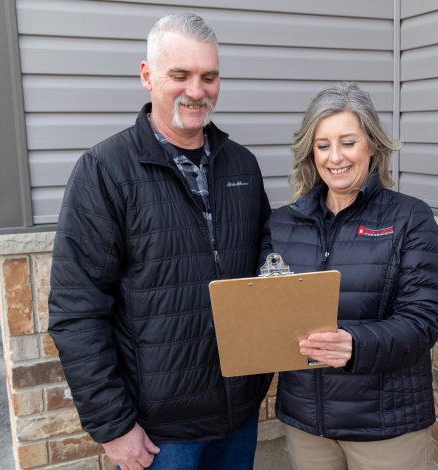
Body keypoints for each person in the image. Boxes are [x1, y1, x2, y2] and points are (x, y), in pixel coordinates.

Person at [48, 13, 272, 470]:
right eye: (180, 75)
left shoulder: (242, 166)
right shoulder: (104, 171)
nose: (197, 90)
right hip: (159, 435)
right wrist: (113, 426)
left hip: (237, 417)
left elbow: (265, 269)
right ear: (147, 76)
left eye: (208, 77)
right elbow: (76, 311)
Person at [262, 82, 438, 470]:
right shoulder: (282, 224)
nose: (335, 157)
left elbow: (422, 322)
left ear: (372, 146)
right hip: (307, 425)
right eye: (323, 145)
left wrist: (355, 345)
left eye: (348, 142)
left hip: (385, 426)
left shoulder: (409, 218)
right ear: (310, 152)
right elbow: (264, 310)